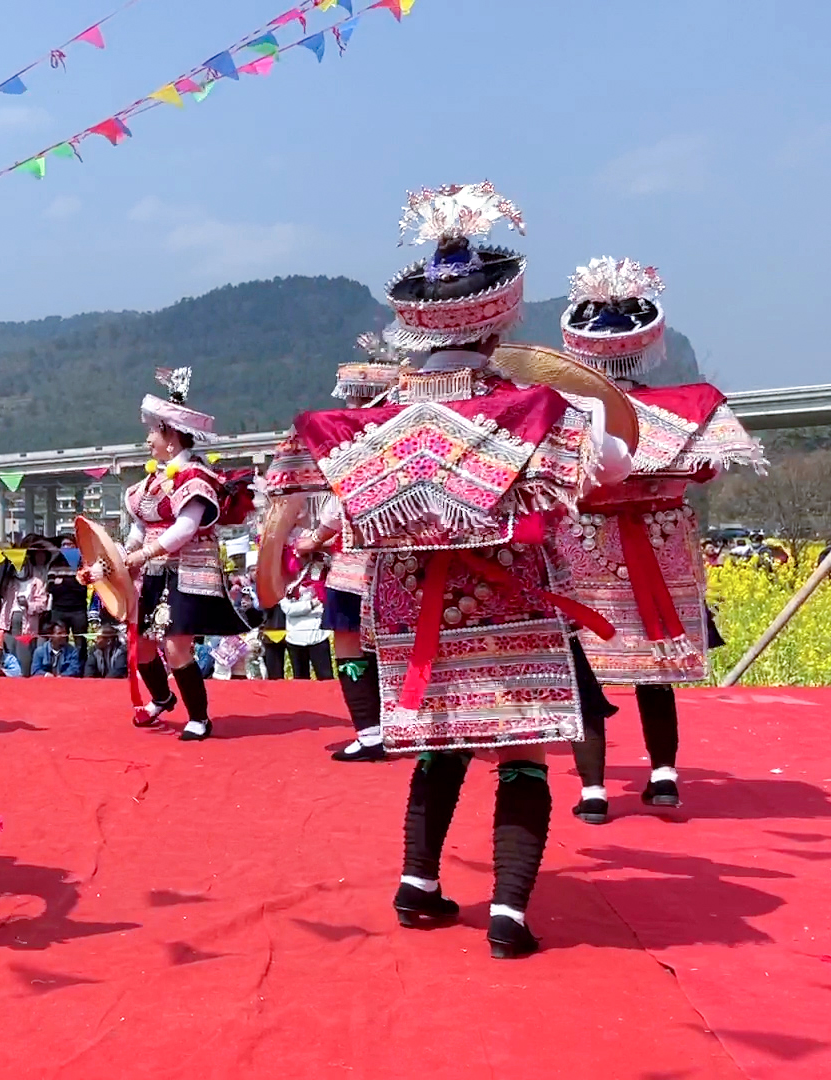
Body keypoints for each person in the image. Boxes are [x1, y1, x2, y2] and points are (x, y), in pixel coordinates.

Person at [264, 182, 632, 959]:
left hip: (407, 603)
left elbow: (328, 510)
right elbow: (608, 469)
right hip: (507, 595)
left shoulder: (378, 418)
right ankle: (507, 914)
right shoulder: (533, 407)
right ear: (500, 315)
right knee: (522, 749)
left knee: (438, 741)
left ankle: (417, 884)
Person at [544, 258, 765, 822]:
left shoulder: (561, 414)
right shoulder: (690, 406)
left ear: (579, 349)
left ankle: (593, 791)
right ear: (648, 346)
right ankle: (664, 778)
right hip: (660, 539)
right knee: (655, 663)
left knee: (583, 664)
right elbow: (707, 471)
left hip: (583, 546)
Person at [83, 367, 248, 741]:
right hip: (156, 571)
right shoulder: (152, 483)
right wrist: (112, 560)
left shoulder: (195, 478)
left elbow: (186, 528)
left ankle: (200, 718)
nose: (147, 440)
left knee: (176, 645)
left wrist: (141, 556)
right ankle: (161, 697)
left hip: (190, 568)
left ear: (171, 436)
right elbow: (140, 528)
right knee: (140, 644)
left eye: (152, 432)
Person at [291, 339, 404, 761]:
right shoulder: (404, 441)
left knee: (350, 643)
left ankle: (370, 732)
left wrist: (314, 539)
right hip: (401, 562)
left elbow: (342, 504)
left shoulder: (363, 446)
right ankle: (402, 727)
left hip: (358, 564)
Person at [279, 586, 331, 680]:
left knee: (326, 680)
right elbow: (288, 609)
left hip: (318, 638)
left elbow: (321, 606)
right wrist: (311, 604)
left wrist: (300, 609)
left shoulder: (319, 576)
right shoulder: (286, 582)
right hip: (295, 640)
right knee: (300, 683)